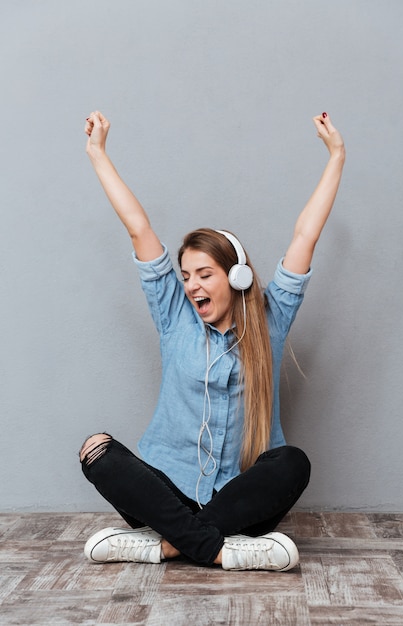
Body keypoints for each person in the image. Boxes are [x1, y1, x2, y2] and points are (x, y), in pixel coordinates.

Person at [79, 110, 345, 571]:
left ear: (236, 276)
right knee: (95, 449)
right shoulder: (172, 315)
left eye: (205, 274)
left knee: (293, 462)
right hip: (167, 490)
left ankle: (162, 546)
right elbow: (139, 228)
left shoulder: (270, 320)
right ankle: (220, 550)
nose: (192, 285)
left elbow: (307, 234)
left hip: (237, 498)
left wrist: (336, 155)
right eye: (186, 276)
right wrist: (97, 153)